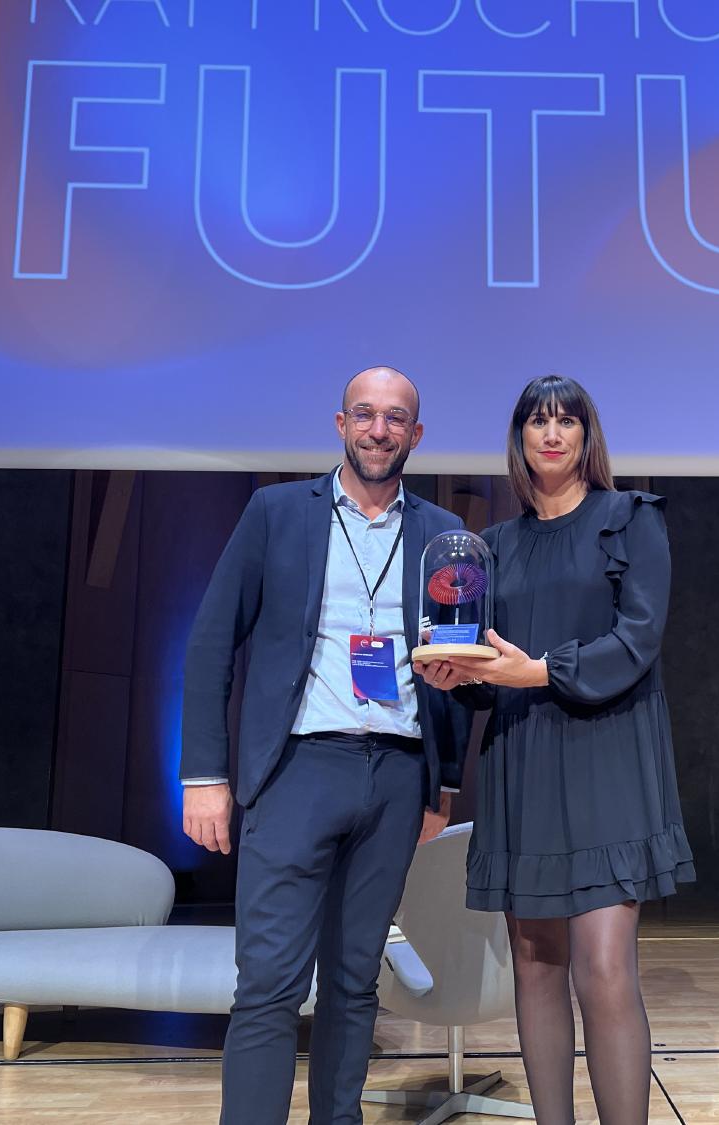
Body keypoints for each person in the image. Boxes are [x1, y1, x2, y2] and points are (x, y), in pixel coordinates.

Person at [179, 366, 471, 1125]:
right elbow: (212, 642)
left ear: (417, 433)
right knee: (270, 982)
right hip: (297, 771)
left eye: (396, 418)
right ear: (340, 424)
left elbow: (463, 671)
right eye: (366, 415)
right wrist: (204, 775)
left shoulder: (444, 535)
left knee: (353, 982)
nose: (381, 429)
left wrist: (443, 787)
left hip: (398, 777)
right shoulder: (277, 513)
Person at [416, 374, 696, 1125]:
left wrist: (539, 670)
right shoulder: (493, 547)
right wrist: (456, 675)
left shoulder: (630, 518)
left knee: (604, 969)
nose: (551, 432)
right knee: (537, 969)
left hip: (609, 757)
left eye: (566, 420)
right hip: (525, 760)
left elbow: (636, 640)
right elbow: (487, 674)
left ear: (585, 435)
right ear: (519, 439)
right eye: (536, 421)